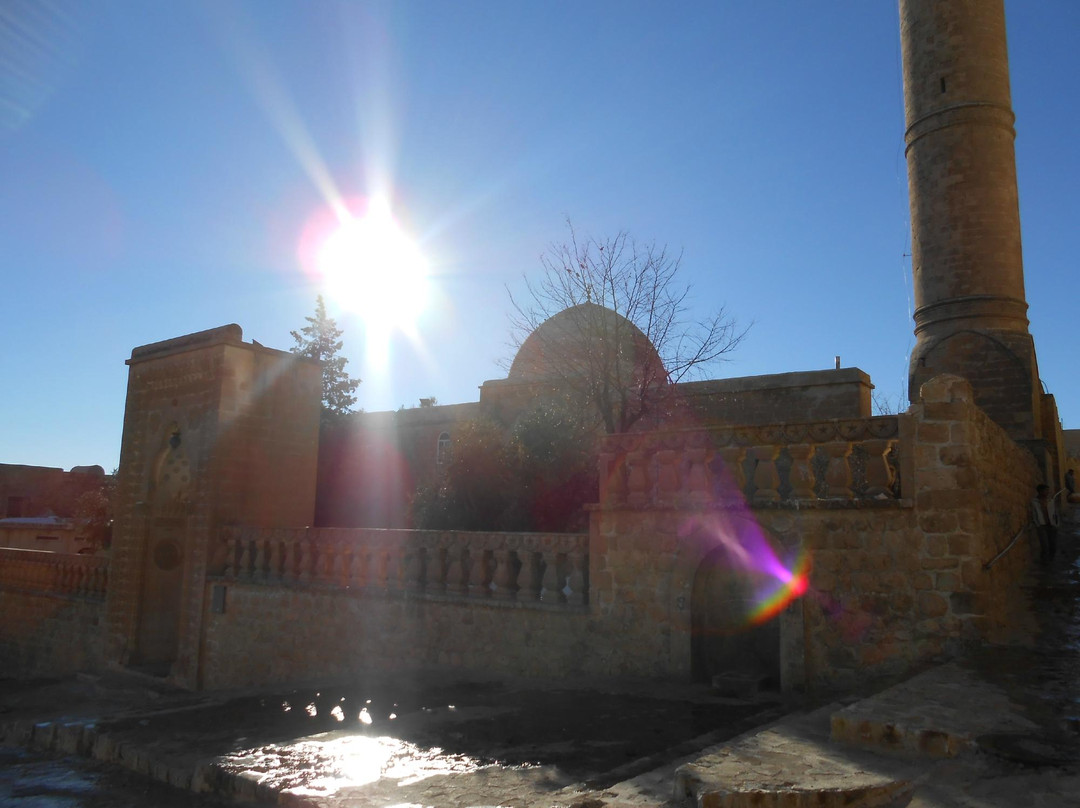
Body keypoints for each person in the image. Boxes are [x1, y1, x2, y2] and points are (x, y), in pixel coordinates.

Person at [1032, 484, 1060, 564]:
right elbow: (1034, 514)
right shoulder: (1034, 502)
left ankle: (1050, 559)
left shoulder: (1050, 500)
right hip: (1042, 526)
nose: (1048, 492)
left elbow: (1055, 513)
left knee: (1053, 545)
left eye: (1048, 490)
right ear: (1040, 491)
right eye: (1046, 490)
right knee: (1045, 545)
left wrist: (1056, 524)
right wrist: (1038, 524)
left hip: (1052, 525)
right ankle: (1045, 561)